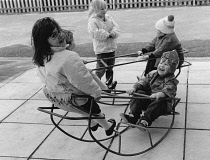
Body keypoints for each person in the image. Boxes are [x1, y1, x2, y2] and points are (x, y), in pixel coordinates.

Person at [31, 17, 116, 136]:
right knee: (91, 106)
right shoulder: (69, 57)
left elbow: (46, 77)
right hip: (75, 100)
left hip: (57, 98)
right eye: (54, 36)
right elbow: (83, 81)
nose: (60, 36)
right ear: (45, 41)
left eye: (58, 32)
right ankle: (108, 127)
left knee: (81, 106)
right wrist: (96, 93)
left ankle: (92, 124)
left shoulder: (40, 58)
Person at [120, 50, 179, 127]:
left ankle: (146, 120)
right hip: (149, 99)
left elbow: (168, 90)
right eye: (161, 63)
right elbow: (143, 81)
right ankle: (133, 116)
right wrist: (134, 88)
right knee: (140, 93)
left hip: (162, 104)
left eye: (166, 64)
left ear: (172, 68)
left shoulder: (171, 81)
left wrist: (159, 94)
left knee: (159, 101)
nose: (162, 65)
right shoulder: (153, 73)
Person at [88, 0, 120, 90]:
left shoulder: (109, 18)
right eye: (102, 8)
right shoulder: (93, 21)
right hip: (101, 50)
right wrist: (107, 35)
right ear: (95, 9)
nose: (104, 10)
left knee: (110, 67)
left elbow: (115, 26)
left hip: (111, 48)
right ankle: (94, 84)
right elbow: (95, 33)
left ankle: (109, 83)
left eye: (105, 7)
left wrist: (114, 33)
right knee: (101, 69)